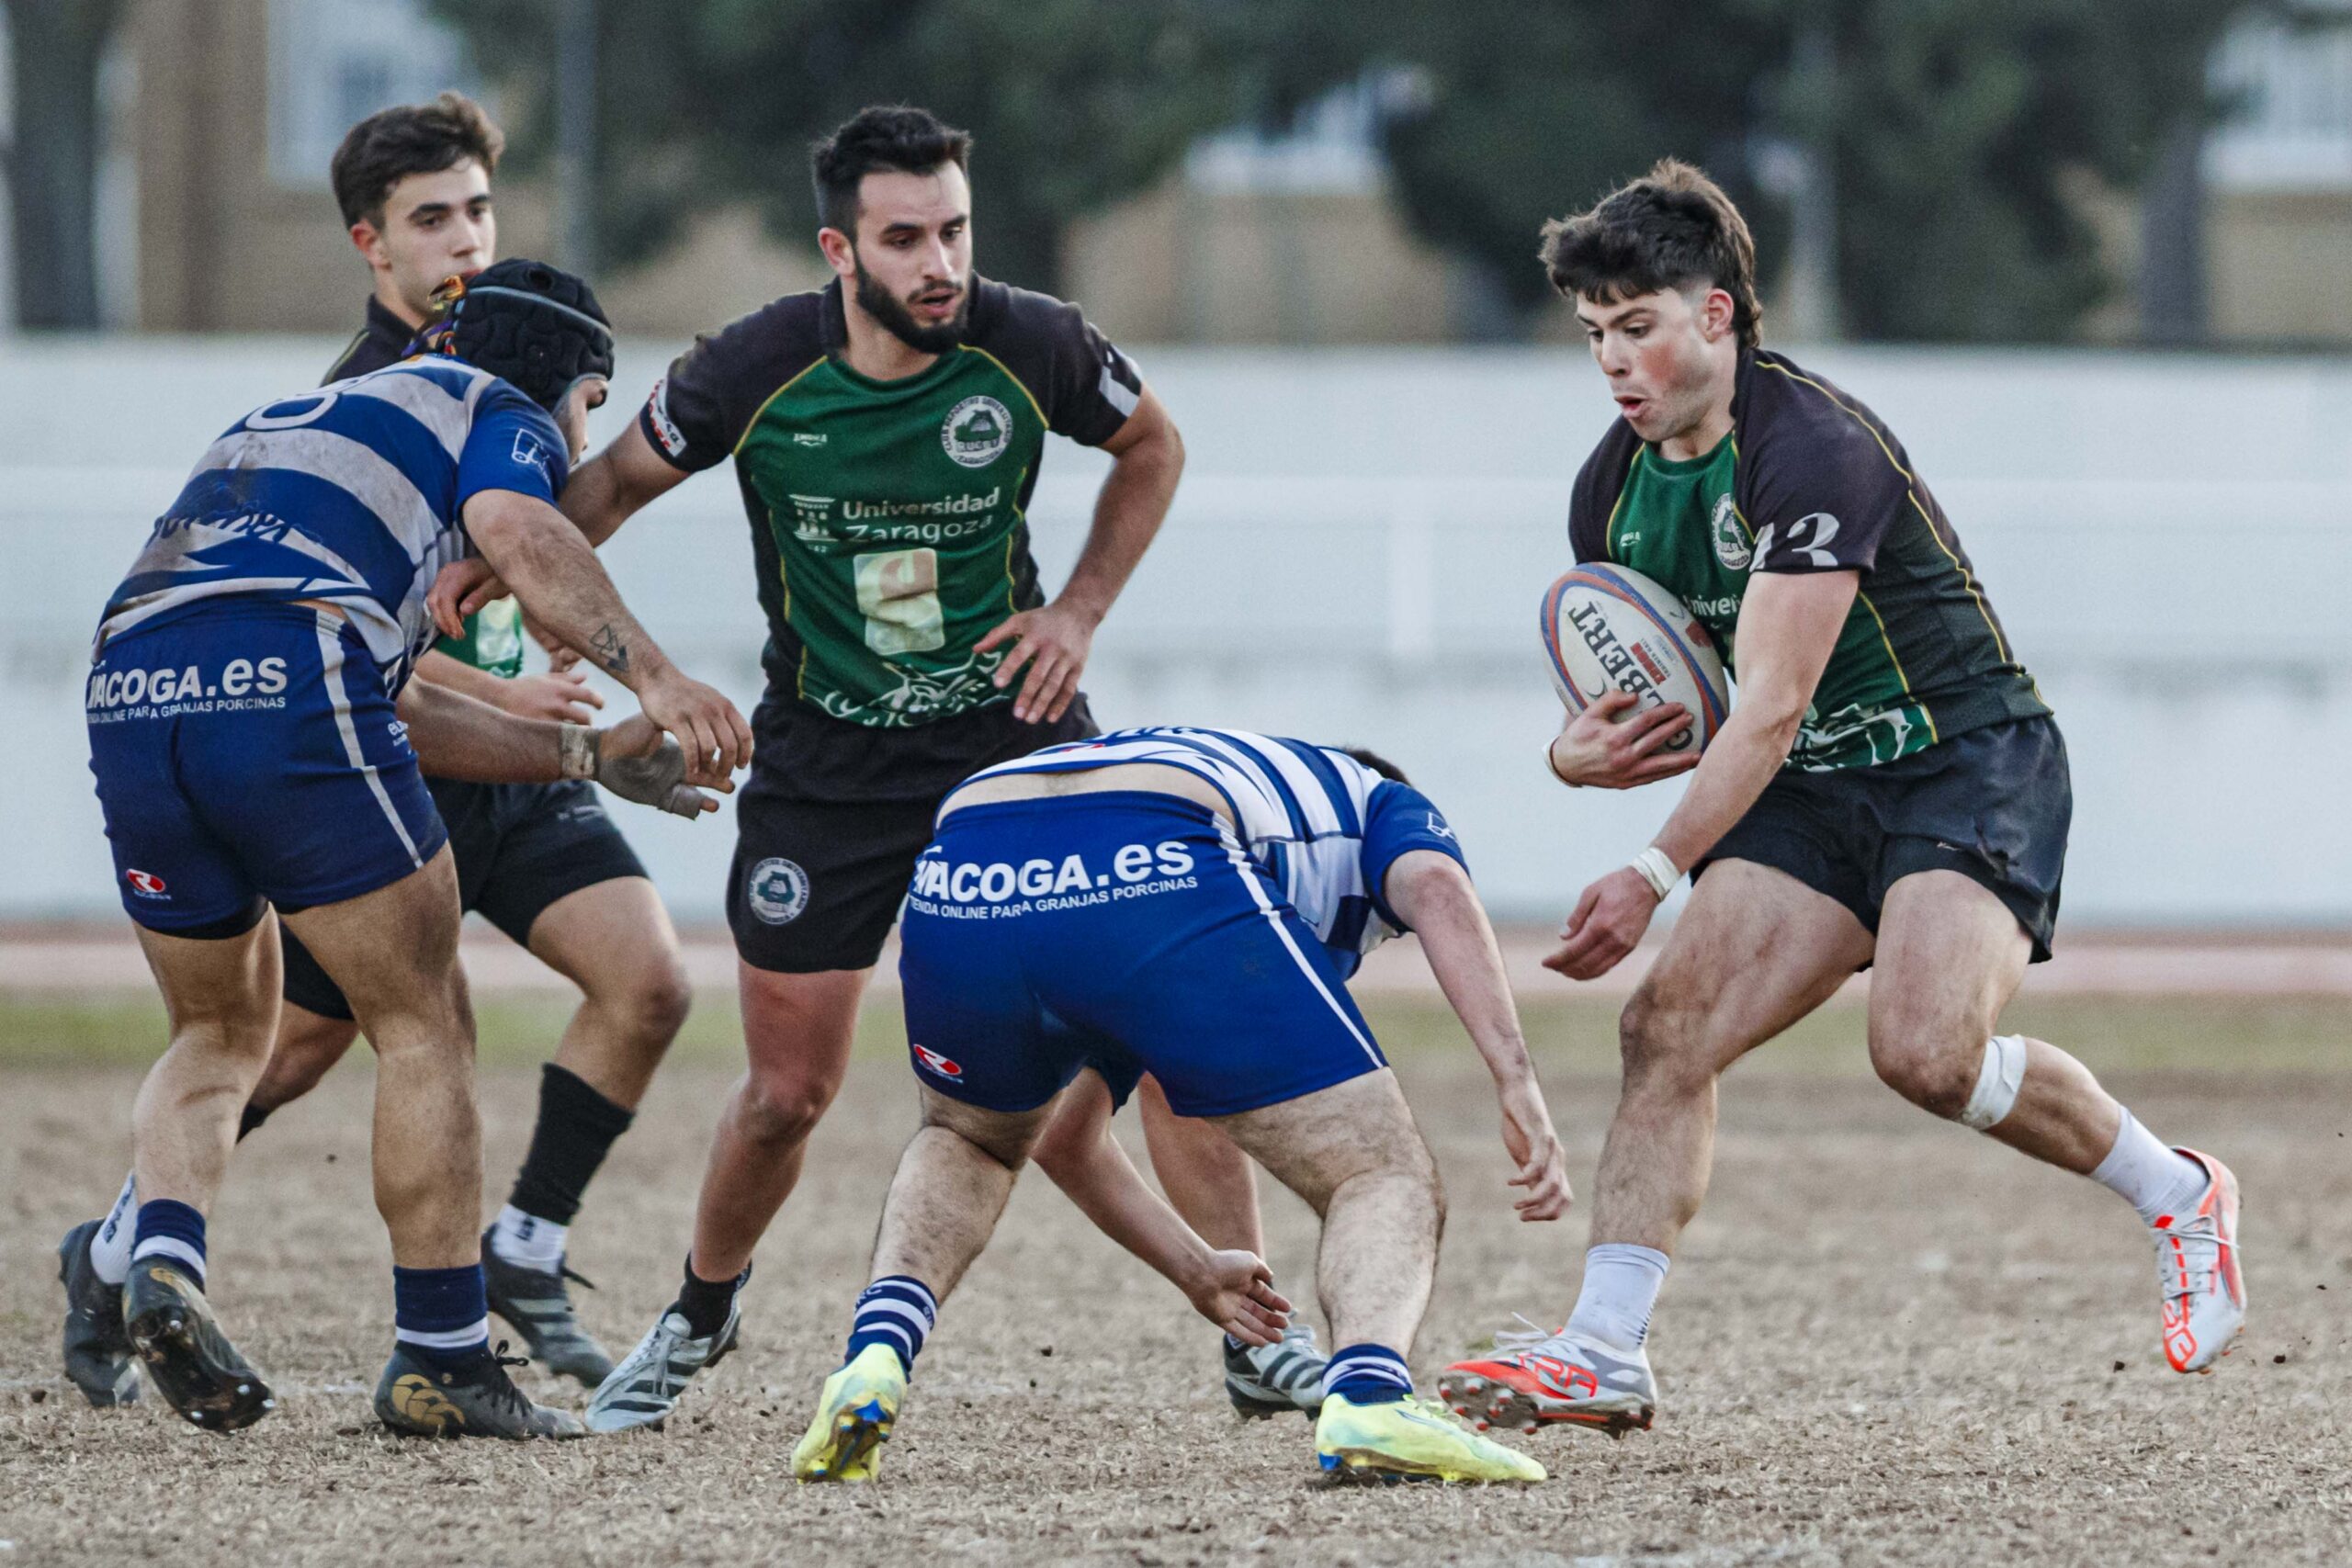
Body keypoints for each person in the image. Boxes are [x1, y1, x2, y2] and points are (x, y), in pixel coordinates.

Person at [426, 105, 1283, 1429]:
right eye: (904, 238)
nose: (940, 261)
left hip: (1018, 746)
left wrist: (1078, 615)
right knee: (785, 1092)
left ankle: (1256, 1335)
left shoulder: (1031, 340)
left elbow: (1153, 446)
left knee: (1170, 1049)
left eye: (954, 230)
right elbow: (596, 499)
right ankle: (699, 1314)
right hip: (827, 770)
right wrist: (487, 569)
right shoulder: (750, 367)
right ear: (841, 248)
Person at [1440, 161, 2245, 1438]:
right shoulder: (1610, 489)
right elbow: (1678, 696)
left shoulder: (1813, 446)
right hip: (1816, 787)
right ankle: (1603, 1347)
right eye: (1595, 334)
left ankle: (2179, 1189)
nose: (1614, 362)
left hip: (1962, 756)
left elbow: (1763, 702)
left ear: (1718, 315)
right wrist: (1572, 756)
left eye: (1638, 326)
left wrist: (1650, 872)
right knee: (1666, 1024)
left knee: (1924, 1053)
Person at [61, 95, 695, 1407]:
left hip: (132, 683)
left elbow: (387, 690)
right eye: (585, 412)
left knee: (220, 1025)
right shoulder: (495, 401)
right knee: (424, 1017)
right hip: (289, 680)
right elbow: (524, 531)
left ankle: (156, 1253)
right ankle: (445, 1357)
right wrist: (659, 676)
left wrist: (583, 763)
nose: (578, 439)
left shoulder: (288, 414)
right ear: (565, 387)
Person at [786, 727, 1569, 1484]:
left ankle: (873, 1358)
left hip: (968, 849)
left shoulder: (1251, 789)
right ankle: (1371, 1399)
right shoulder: (1378, 803)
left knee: (973, 1139)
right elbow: (1435, 884)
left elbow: (1065, 1138)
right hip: (1154, 852)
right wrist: (1517, 1077)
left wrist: (1196, 1269)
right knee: (1379, 1172)